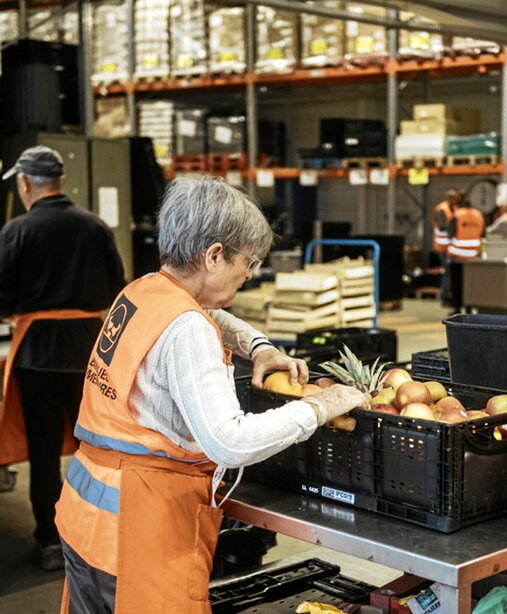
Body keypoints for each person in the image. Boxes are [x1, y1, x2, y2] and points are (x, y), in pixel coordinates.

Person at [54, 176, 370, 613]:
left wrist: (258, 346)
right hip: (140, 532)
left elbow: (205, 313)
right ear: (215, 255)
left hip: (89, 514)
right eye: (248, 261)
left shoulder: (143, 291)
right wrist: (319, 407)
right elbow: (230, 441)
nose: (250, 274)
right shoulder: (187, 330)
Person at [0, 146, 126, 571]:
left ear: (24, 183)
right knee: (98, 446)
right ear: (60, 180)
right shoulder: (95, 227)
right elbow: (116, 287)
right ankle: (101, 531)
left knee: (43, 450)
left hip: (37, 354)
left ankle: (50, 543)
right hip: (92, 350)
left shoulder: (16, 231)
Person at [445, 198, 485, 313]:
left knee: (456, 284)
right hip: (473, 255)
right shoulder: (479, 215)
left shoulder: (457, 215)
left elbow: (450, 233)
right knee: (470, 284)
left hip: (457, 255)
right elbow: (482, 232)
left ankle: (457, 308)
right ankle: (469, 308)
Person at [431, 188, 461, 265]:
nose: (457, 200)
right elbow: (441, 226)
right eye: (455, 198)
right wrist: (455, 227)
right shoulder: (441, 209)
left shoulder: (456, 208)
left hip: (452, 246)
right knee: (446, 269)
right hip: (442, 246)